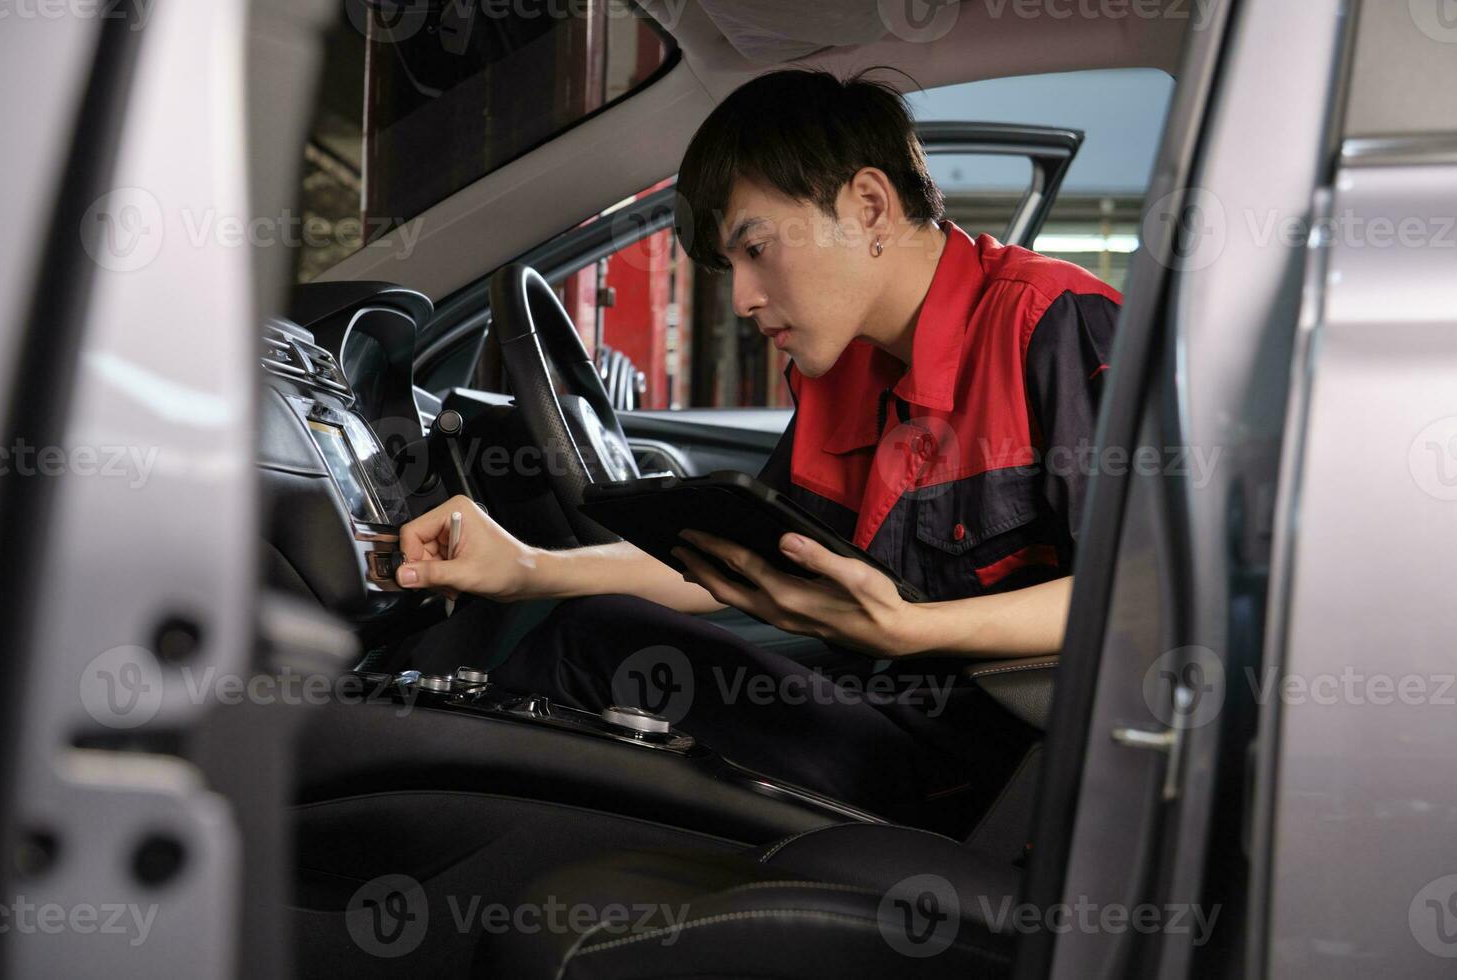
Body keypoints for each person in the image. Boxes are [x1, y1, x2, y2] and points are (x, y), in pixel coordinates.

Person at [395, 69, 1120, 825]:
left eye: (756, 249)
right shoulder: (846, 365)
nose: (741, 298)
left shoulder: (1054, 327)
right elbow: (734, 560)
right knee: (595, 639)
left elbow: (1144, 599)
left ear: (869, 205)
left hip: (997, 785)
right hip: (879, 710)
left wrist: (914, 629)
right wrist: (527, 566)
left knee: (590, 647)